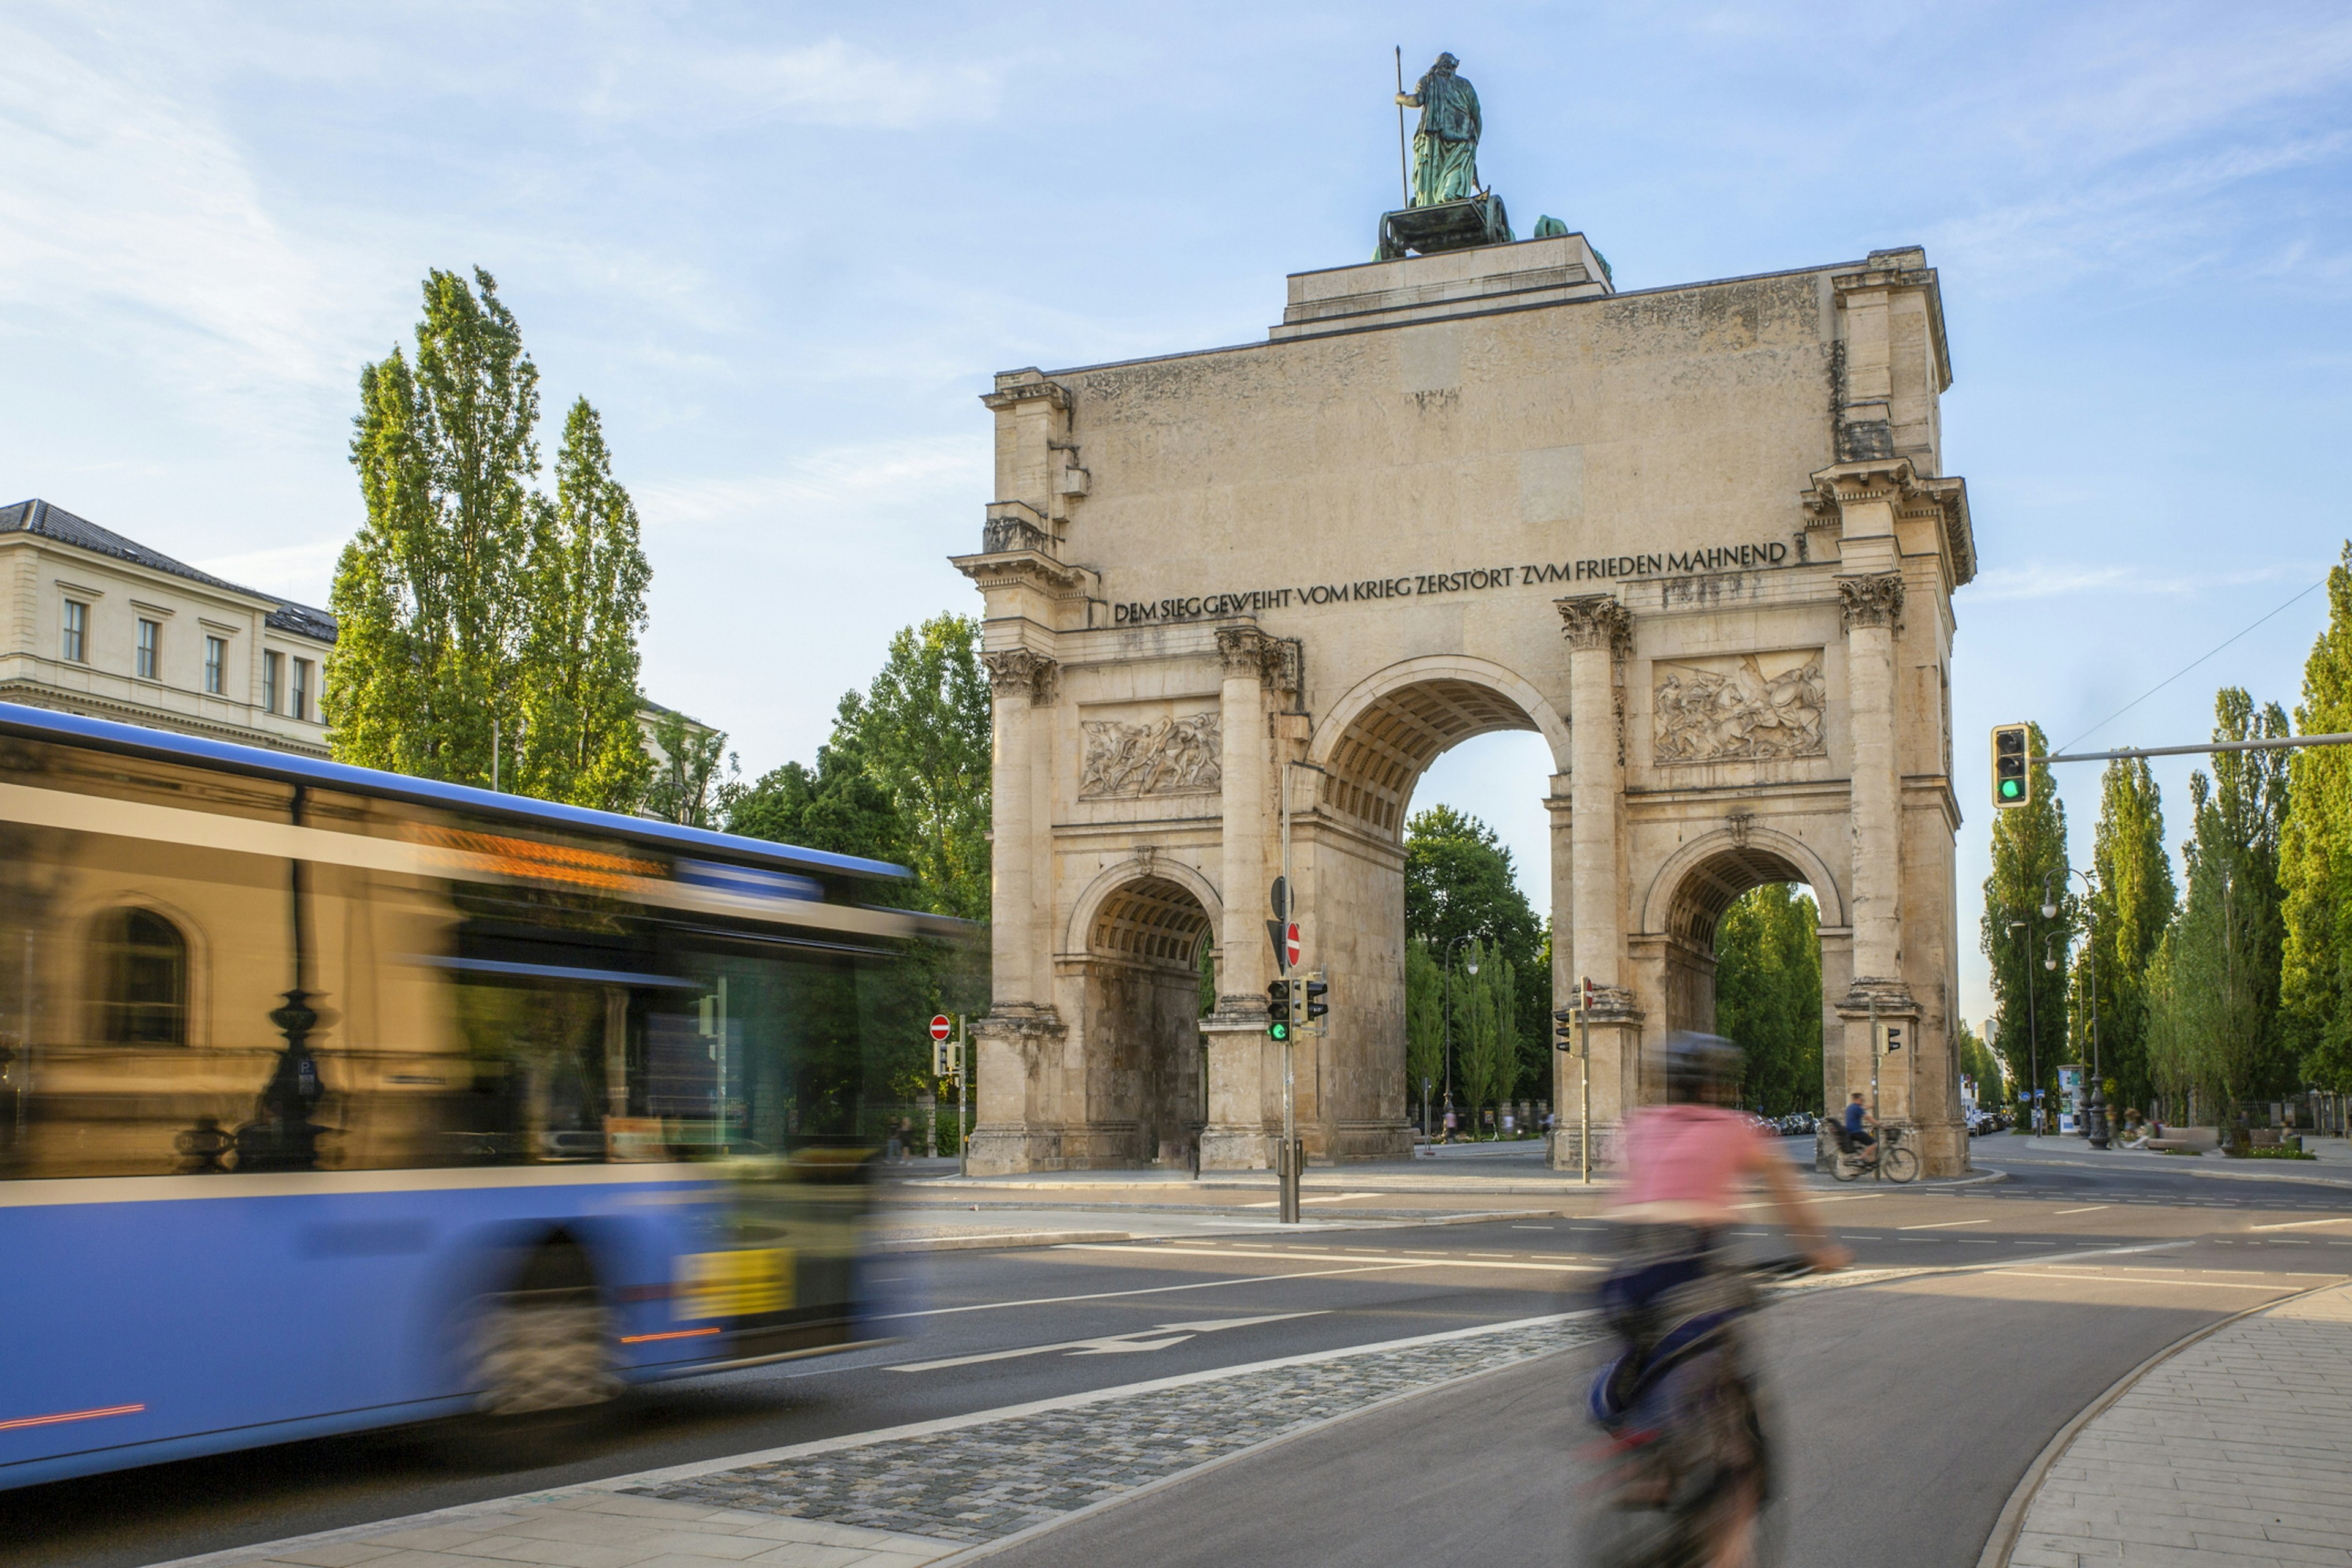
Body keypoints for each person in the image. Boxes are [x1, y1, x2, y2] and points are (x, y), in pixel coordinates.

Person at [1592, 1034, 1847, 1568]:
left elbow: (1625, 1192)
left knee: (1645, 1371)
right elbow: (1793, 1208)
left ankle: (1647, 1466)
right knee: (1741, 1439)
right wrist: (1819, 1250)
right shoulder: (1736, 1131)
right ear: (1719, 1087)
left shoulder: (1639, 1124)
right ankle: (1731, 1547)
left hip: (1620, 1287)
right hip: (1688, 1285)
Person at [1841, 1091, 1877, 1158]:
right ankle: (1860, 1158)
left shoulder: (1851, 1107)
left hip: (1850, 1132)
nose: (1863, 1101)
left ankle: (1867, 1162)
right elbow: (1868, 1118)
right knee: (1874, 1144)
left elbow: (1863, 1108)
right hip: (1856, 1132)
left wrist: (1871, 1106)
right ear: (1858, 1100)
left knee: (1865, 1148)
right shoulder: (1857, 1108)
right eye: (1862, 1100)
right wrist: (1879, 1124)